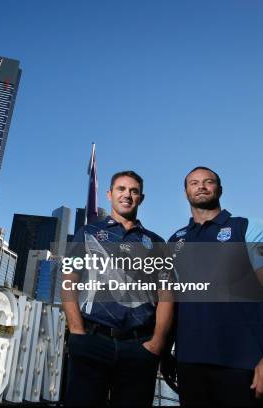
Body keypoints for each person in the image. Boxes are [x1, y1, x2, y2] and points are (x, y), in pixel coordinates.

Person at [169, 166, 263, 406]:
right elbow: (172, 302)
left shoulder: (250, 228)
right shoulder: (175, 240)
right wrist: (167, 352)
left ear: (220, 189)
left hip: (245, 367)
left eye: (208, 182)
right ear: (185, 191)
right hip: (190, 366)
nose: (201, 187)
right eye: (194, 183)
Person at [62, 170, 174, 406]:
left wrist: (156, 344)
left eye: (134, 191)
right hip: (92, 341)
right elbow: (68, 282)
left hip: (139, 347)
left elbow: (167, 296)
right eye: (121, 189)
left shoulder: (156, 243)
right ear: (109, 194)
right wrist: (77, 332)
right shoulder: (87, 233)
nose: (127, 195)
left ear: (141, 198)